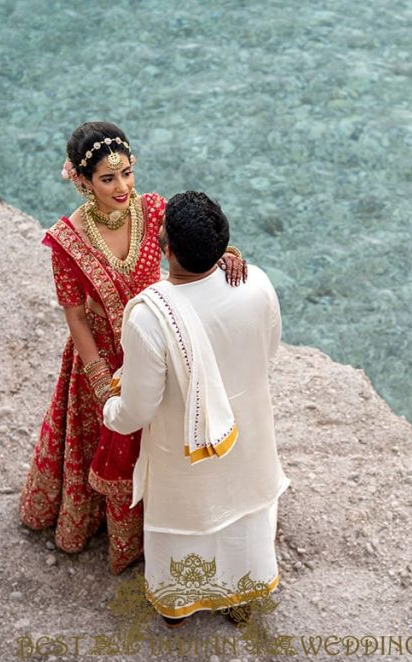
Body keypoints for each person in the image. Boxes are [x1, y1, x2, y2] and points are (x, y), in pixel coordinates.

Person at [19, 123, 246, 575]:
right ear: (82, 182)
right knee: (113, 441)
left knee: (160, 444)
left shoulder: (154, 210)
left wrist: (220, 253)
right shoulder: (66, 240)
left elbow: (186, 249)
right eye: (107, 179)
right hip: (100, 355)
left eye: (126, 173)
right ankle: (110, 531)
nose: (122, 187)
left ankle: (165, 531)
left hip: (159, 343)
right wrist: (101, 379)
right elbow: (76, 316)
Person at [103, 191, 290, 626]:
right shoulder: (257, 282)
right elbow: (270, 349)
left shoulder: (151, 317)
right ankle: (239, 596)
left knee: (186, 522)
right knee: (242, 512)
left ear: (166, 250)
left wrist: (109, 404)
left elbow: (137, 410)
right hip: (248, 432)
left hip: (185, 448)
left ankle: (179, 605)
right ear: (223, 245)